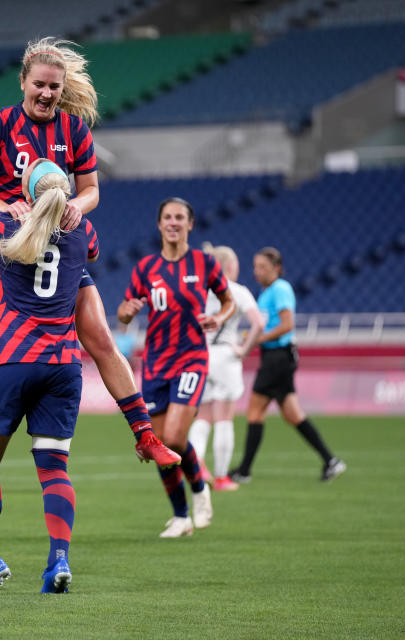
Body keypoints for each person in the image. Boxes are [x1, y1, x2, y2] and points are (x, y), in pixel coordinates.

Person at [0, 36, 179, 485]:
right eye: (39, 84)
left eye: (54, 87)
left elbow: (92, 190)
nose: (46, 93)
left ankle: (145, 434)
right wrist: (1, 208)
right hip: (1, 244)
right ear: (23, 82)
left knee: (99, 335)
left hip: (52, 241)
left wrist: (81, 207)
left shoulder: (74, 131)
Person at [0, 159, 98, 592]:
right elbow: (90, 250)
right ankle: (59, 559)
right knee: (54, 469)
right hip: (64, 365)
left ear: (26, 193)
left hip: (12, 360)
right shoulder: (84, 232)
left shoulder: (4, 228)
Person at [118, 198, 236, 538]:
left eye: (179, 217)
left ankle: (199, 487)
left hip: (191, 358)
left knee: (173, 438)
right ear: (159, 224)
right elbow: (125, 314)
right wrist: (128, 309)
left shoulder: (204, 263)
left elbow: (228, 301)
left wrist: (219, 317)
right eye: (167, 217)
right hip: (155, 364)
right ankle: (181, 516)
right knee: (159, 445)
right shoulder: (145, 269)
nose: (173, 222)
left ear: (190, 224)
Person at [229, 247, 346, 483]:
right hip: (278, 358)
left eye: (262, 267)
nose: (257, 271)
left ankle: (244, 470)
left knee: (254, 411)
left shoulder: (280, 289)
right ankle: (330, 461)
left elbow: (287, 325)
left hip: (278, 357)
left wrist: (256, 339)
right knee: (293, 415)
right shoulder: (266, 293)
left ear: (277, 269)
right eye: (255, 266)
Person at [187, 245, 264, 492]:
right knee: (224, 418)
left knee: (203, 416)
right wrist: (243, 349)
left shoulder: (200, 290)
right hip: (225, 355)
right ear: (230, 266)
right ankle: (221, 477)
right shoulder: (238, 291)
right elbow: (259, 323)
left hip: (200, 355)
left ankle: (195, 464)